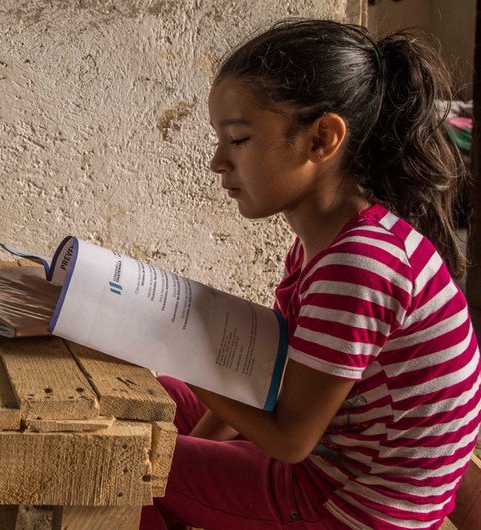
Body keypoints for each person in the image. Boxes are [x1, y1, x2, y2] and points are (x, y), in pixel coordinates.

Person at [142, 19, 481, 530]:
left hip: (349, 507)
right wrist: (192, 450)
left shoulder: (359, 265)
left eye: (238, 139)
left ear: (322, 139)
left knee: (119, 464)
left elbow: (290, 440)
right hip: (330, 470)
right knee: (154, 402)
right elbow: (268, 381)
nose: (217, 162)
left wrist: (173, 346)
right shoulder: (327, 245)